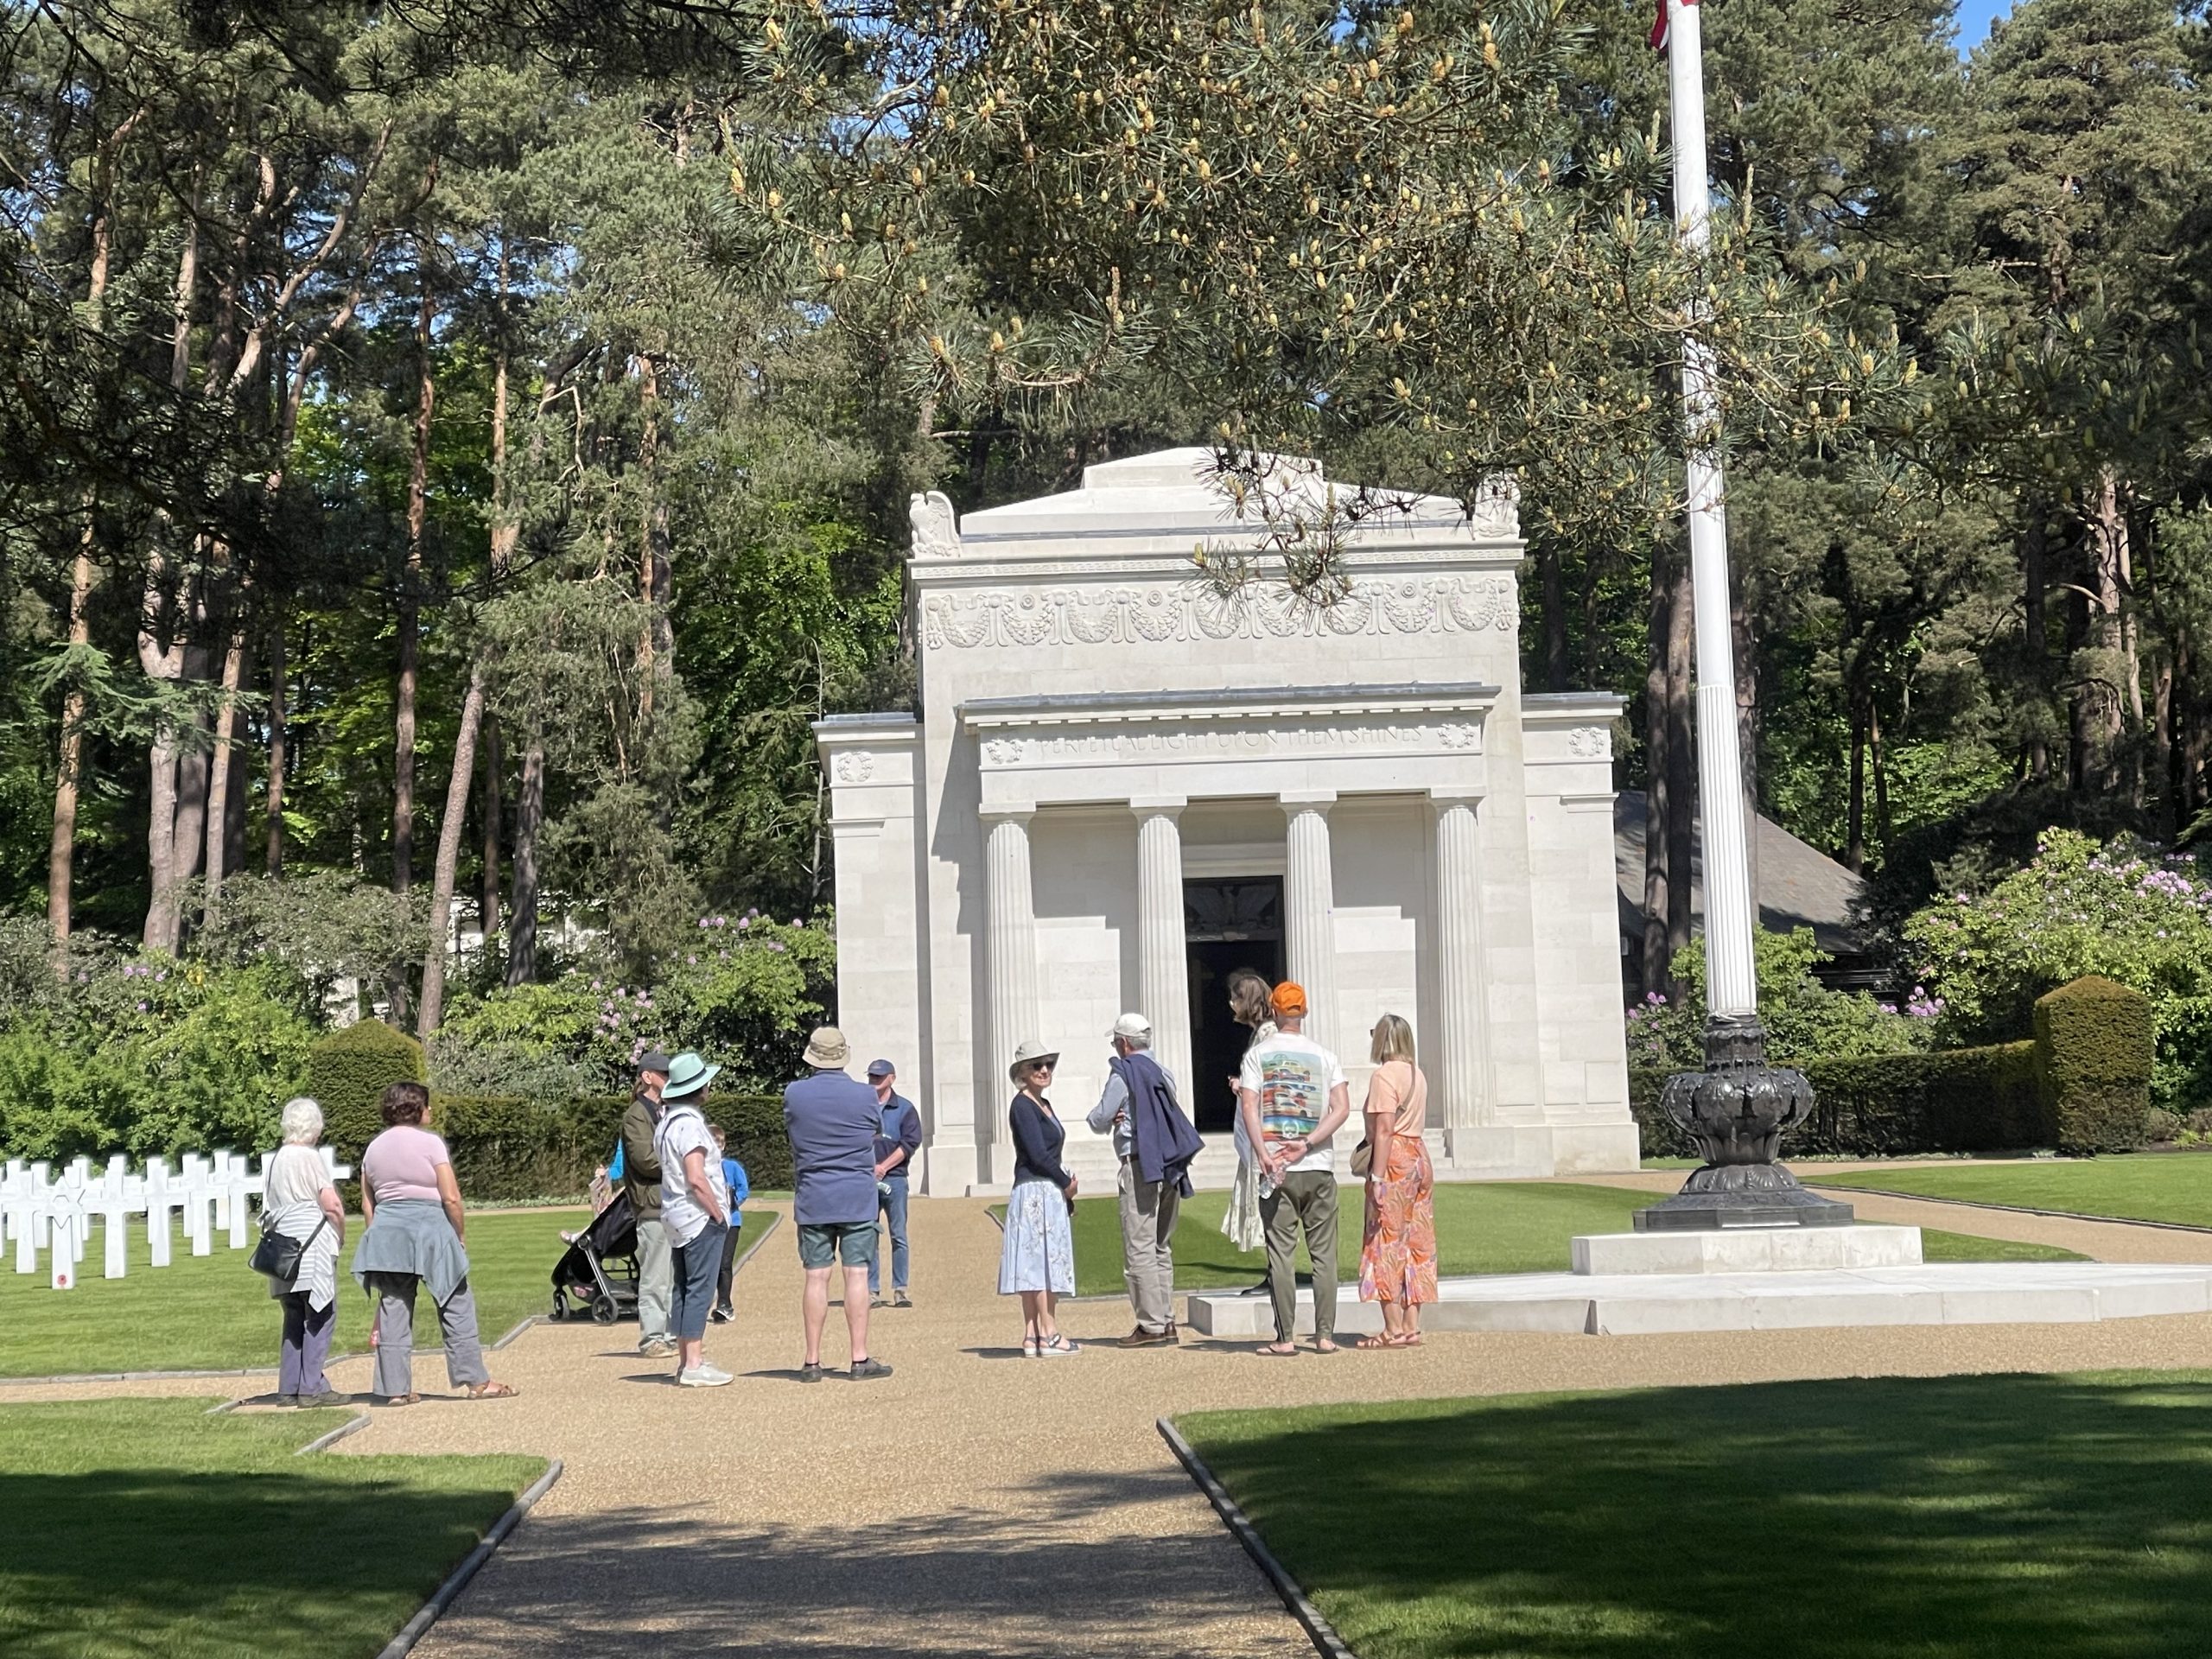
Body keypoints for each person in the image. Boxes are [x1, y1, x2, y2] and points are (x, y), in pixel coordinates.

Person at [351, 1082, 516, 1403]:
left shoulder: (373, 1148)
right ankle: (475, 1381)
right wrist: (460, 1234)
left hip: (388, 1231)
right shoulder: (432, 1144)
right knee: (456, 1303)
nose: (431, 1111)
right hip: (429, 1227)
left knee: (394, 1309)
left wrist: (376, 1237)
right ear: (416, 1109)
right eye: (427, 1106)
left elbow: (368, 1202)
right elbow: (451, 1196)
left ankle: (395, 1390)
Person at [1237, 982, 1351, 1357]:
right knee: (1324, 1256)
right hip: (1318, 1164)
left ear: (1273, 1009)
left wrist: (1263, 1153)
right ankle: (1324, 1335)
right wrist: (1310, 1141)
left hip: (1277, 1165)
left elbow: (1250, 1107)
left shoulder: (1259, 1055)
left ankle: (1285, 1337)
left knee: (1281, 1255)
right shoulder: (1325, 1056)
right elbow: (1341, 1108)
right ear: (1304, 1012)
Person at [783, 1027, 893, 1382]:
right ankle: (858, 1358)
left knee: (816, 1277)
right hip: (856, 1195)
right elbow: (874, 1130)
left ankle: (812, 1360)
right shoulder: (865, 1095)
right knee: (857, 1275)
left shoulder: (795, 1094)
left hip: (814, 1195)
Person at [1087, 1013, 1204, 1347]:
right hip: (1169, 1164)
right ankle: (1166, 1321)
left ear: (1124, 1043)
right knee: (1160, 1246)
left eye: (1115, 1042)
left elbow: (1099, 1118)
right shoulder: (1164, 1072)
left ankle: (1150, 1325)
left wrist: (1110, 1118)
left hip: (1139, 1163)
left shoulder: (1123, 1073)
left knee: (1138, 1247)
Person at [1356, 1014, 1438, 1349]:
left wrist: (1376, 1176)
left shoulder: (1384, 1076)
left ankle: (1392, 1328)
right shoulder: (1417, 1074)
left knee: (1384, 1240)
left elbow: (1385, 1129)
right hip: (1419, 1153)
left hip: (1396, 1157)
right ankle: (1411, 1324)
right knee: (1418, 1241)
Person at [264, 1096, 346, 1407]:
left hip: (283, 1248)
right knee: (321, 1315)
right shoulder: (308, 1157)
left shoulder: (278, 1159)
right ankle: (312, 1388)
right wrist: (340, 1234)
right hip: (311, 1245)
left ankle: (289, 1387)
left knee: (294, 1316)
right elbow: (331, 1203)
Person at [655, 1052, 732, 1386]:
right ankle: (694, 1364)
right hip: (697, 1216)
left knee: (684, 1287)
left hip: (676, 1215)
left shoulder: (667, 1122)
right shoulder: (690, 1125)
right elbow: (697, 1177)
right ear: (699, 1088)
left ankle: (688, 1360)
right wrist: (717, 1213)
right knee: (700, 1288)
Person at [1000, 1039, 1080, 1357]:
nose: (1044, 1070)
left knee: (1036, 1260)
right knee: (1041, 1262)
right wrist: (1066, 1184)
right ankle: (1049, 1332)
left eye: (1047, 1064)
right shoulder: (1023, 1105)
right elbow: (1036, 1155)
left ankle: (1032, 1333)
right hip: (1037, 1188)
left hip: (1043, 1189)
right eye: (1036, 1065)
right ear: (1022, 1071)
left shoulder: (1042, 1104)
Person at [1219, 968, 1274, 1292]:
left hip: (1264, 1132)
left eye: (1236, 998)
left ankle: (1275, 1273)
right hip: (1257, 1130)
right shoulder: (1261, 1034)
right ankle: (1273, 1271)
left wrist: (1243, 1087)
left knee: (1267, 1200)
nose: (1231, 1004)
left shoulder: (1267, 1035)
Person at [621, 1049, 675, 1359]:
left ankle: (672, 1335)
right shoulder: (636, 1116)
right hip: (652, 1205)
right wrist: (685, 1161)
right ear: (647, 1077)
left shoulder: (666, 1110)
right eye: (664, 1074)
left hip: (673, 1204)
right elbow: (646, 1161)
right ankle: (652, 1338)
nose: (669, 1079)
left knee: (673, 1276)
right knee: (655, 1276)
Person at [867, 1058, 923, 1309]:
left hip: (896, 1179)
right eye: (871, 1077)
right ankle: (871, 1290)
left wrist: (883, 1167)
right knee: (868, 1235)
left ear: (892, 1078)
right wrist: (869, 1169)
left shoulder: (905, 1109)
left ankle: (900, 1289)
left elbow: (910, 1143)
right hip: (866, 1180)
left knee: (898, 1234)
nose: (874, 1081)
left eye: (879, 1077)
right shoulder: (862, 1107)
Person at [710, 1125, 751, 1323]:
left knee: (724, 1264)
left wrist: (735, 1200)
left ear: (723, 1145)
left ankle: (724, 1304)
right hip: (709, 1222)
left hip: (731, 1221)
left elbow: (744, 1189)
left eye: (718, 1144)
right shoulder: (702, 1167)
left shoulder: (732, 1167)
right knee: (710, 1264)